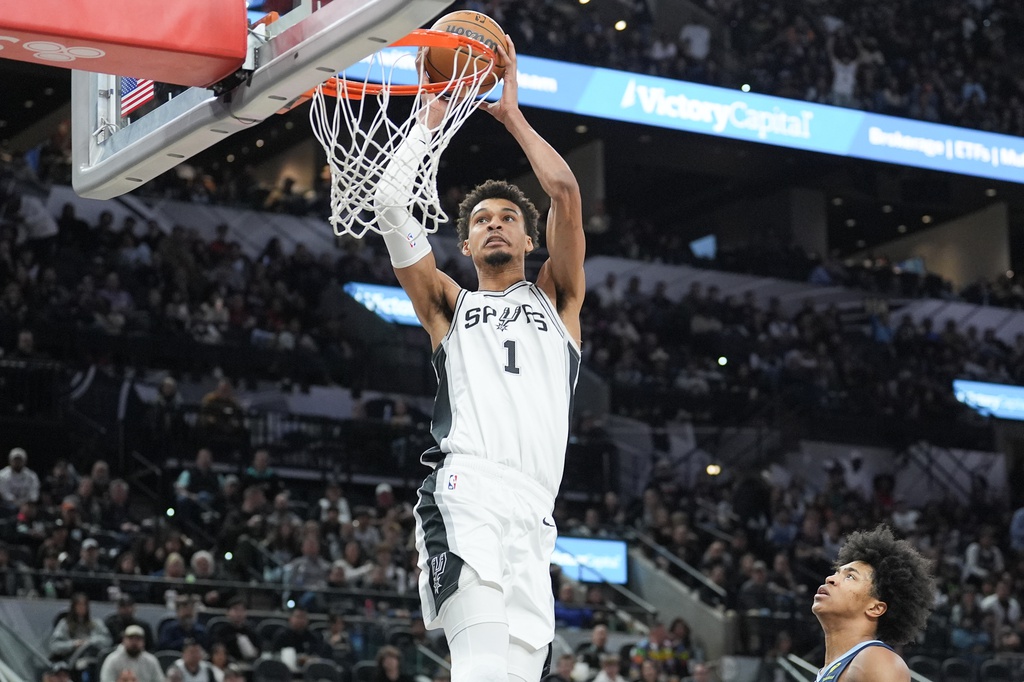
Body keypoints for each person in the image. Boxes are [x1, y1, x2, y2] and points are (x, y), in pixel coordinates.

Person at [376, 37, 584, 682]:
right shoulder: (446, 303)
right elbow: (388, 207)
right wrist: (428, 125)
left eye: (508, 217)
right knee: (483, 668)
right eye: (483, 220)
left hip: (535, 512)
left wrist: (513, 116)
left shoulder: (559, 297)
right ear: (464, 242)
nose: (496, 224)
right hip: (467, 489)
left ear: (529, 236)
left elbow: (566, 195)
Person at [811, 525, 934, 682]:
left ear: (875, 608)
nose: (830, 579)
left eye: (850, 577)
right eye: (836, 573)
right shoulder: (831, 670)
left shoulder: (875, 660)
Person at [48, 593, 113, 663]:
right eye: (79, 605)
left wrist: (89, 642)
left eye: (84, 605)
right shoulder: (64, 624)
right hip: (70, 660)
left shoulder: (96, 623)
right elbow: (54, 646)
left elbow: (108, 641)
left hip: (93, 659)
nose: (82, 608)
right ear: (73, 607)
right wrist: (73, 644)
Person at [99, 625, 163, 682]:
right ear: (123, 640)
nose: (134, 642)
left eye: (138, 639)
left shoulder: (151, 661)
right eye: (131, 638)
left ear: (143, 642)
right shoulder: (112, 659)